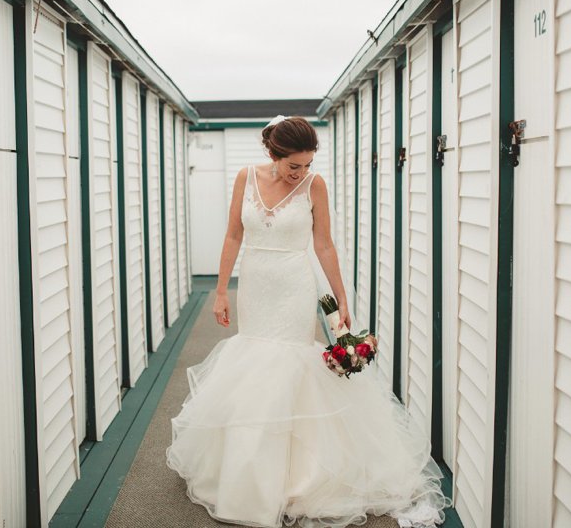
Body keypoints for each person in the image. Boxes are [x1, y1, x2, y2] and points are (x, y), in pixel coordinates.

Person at [166, 116, 447, 527]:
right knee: (254, 364)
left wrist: (340, 300)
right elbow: (232, 236)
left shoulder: (314, 185)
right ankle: (248, 471)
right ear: (273, 154)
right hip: (257, 283)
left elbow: (324, 243)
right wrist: (223, 289)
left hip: (294, 286)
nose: (301, 172)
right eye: (293, 165)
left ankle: (296, 475)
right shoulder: (245, 178)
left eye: (307, 164)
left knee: (289, 364)